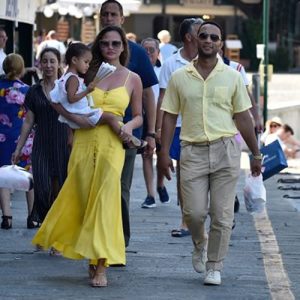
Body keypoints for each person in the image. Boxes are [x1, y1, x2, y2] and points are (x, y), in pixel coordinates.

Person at [32, 25, 143, 287]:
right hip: (82, 142)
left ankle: (102, 264)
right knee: (83, 201)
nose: (110, 48)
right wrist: (73, 120)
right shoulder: (86, 72)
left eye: (116, 44)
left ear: (123, 47)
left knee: (105, 202)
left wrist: (127, 127)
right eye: (105, 43)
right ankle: (91, 260)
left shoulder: (132, 78)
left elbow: (138, 115)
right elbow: (58, 101)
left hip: (112, 145)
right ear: (98, 46)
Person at [158, 21, 261, 285]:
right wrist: (163, 154)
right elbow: (169, 116)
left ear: (220, 43)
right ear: (195, 39)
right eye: (203, 35)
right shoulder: (180, 77)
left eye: (214, 37)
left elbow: (243, 117)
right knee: (193, 213)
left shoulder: (232, 76)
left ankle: (214, 265)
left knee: (222, 213)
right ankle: (199, 241)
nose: (208, 40)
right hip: (191, 151)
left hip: (226, 150)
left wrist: (256, 154)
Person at [98, 0, 158, 248]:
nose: (109, 17)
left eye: (114, 14)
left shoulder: (137, 53)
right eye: (105, 14)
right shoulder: (90, 53)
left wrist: (152, 134)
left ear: (123, 19)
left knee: (120, 188)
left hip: (126, 135)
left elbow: (148, 95)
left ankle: (119, 240)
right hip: (92, 132)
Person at [155, 18, 203, 236]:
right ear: (189, 37)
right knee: (184, 174)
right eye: (201, 32)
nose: (206, 36)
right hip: (179, 127)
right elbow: (162, 99)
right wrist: (157, 130)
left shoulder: (212, 60)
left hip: (206, 126)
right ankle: (186, 219)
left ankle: (203, 214)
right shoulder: (171, 64)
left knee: (204, 174)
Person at [12, 48, 70, 225]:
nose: (49, 65)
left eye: (52, 61)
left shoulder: (66, 88)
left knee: (59, 190)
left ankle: (55, 233)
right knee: (42, 189)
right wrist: (18, 148)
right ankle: (46, 226)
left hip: (63, 144)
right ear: (40, 64)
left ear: (59, 64)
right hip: (42, 145)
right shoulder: (34, 91)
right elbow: (28, 122)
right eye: (45, 61)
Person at [0, 54, 34, 229]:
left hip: (2, 136)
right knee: (28, 174)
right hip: (23, 137)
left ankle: (7, 216)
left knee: (3, 175)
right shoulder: (27, 90)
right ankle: (31, 216)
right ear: (22, 70)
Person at [140, 37, 169, 208]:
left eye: (152, 50)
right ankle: (150, 194)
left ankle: (160, 184)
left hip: (163, 118)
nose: (149, 53)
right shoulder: (137, 70)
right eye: (145, 50)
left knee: (163, 154)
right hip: (143, 118)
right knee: (146, 153)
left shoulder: (163, 71)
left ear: (158, 52)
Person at [49, 42, 102, 129]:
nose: (87, 66)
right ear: (74, 60)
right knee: (110, 118)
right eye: (86, 62)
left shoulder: (66, 76)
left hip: (74, 113)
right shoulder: (73, 79)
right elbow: (71, 99)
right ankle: (125, 137)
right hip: (80, 113)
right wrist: (87, 91)